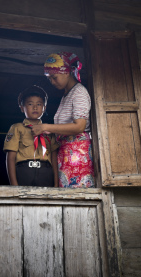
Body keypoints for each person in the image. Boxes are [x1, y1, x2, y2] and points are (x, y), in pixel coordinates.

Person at [31, 52, 95, 188]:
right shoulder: (67, 94)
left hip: (77, 154)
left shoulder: (79, 92)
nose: (52, 82)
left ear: (66, 73)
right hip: (66, 153)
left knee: (78, 197)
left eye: (54, 77)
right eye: (49, 79)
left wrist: (45, 127)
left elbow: (80, 126)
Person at [3, 85, 59, 187]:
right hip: (24, 172)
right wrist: (14, 185)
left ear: (44, 108)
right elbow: (10, 158)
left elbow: (54, 158)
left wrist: (56, 184)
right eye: (30, 104)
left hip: (46, 173)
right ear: (22, 107)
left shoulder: (49, 130)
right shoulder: (17, 128)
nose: (35, 107)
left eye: (39, 104)